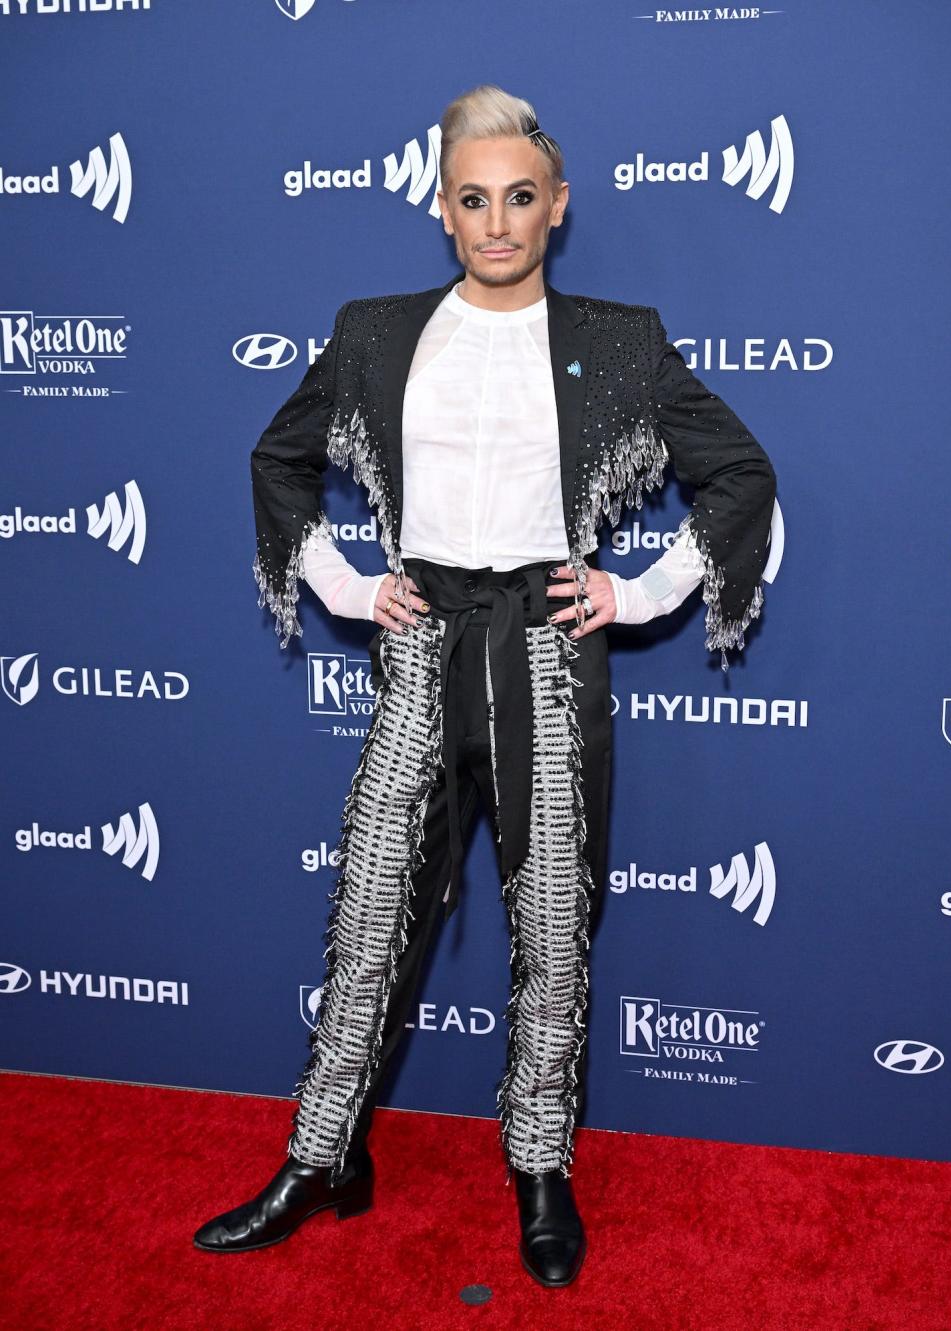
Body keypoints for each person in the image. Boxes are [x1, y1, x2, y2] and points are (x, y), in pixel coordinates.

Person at [192, 83, 777, 1288]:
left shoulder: (621, 338)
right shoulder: (373, 331)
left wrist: (642, 590)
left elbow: (742, 475)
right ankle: (322, 1153)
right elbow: (279, 458)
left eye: (520, 198)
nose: (498, 221)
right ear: (443, 210)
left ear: (555, 209)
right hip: (419, 639)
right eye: (474, 199)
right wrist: (351, 589)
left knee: (553, 919)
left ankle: (541, 1164)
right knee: (368, 917)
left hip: (548, 642)